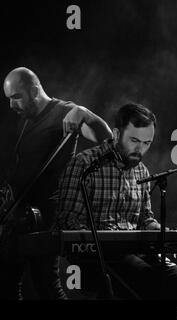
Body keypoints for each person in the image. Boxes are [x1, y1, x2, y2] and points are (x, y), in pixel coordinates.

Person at [55, 103, 177, 300]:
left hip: (137, 253)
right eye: (134, 140)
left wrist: (165, 234)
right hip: (98, 258)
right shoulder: (84, 163)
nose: (140, 149)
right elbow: (68, 220)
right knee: (151, 284)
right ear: (116, 134)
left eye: (147, 143)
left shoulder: (142, 171)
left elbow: (145, 219)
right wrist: (104, 240)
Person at [0, 67, 113, 299]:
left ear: (34, 90)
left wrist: (83, 113)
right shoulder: (26, 119)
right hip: (19, 216)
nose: (12, 106)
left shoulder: (64, 111)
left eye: (16, 97)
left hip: (45, 215)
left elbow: (108, 141)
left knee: (46, 285)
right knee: (7, 283)